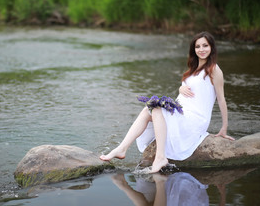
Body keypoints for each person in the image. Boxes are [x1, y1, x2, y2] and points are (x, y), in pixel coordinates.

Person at [100, 31, 235, 173]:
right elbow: (193, 89)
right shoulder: (193, 69)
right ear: (193, 49)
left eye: (205, 46)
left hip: (195, 118)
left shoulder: (214, 69)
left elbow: (221, 98)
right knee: (148, 108)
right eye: (198, 46)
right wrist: (181, 87)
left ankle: (160, 157)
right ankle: (122, 149)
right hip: (182, 112)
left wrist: (224, 127)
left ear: (212, 47)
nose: (201, 49)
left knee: (156, 108)